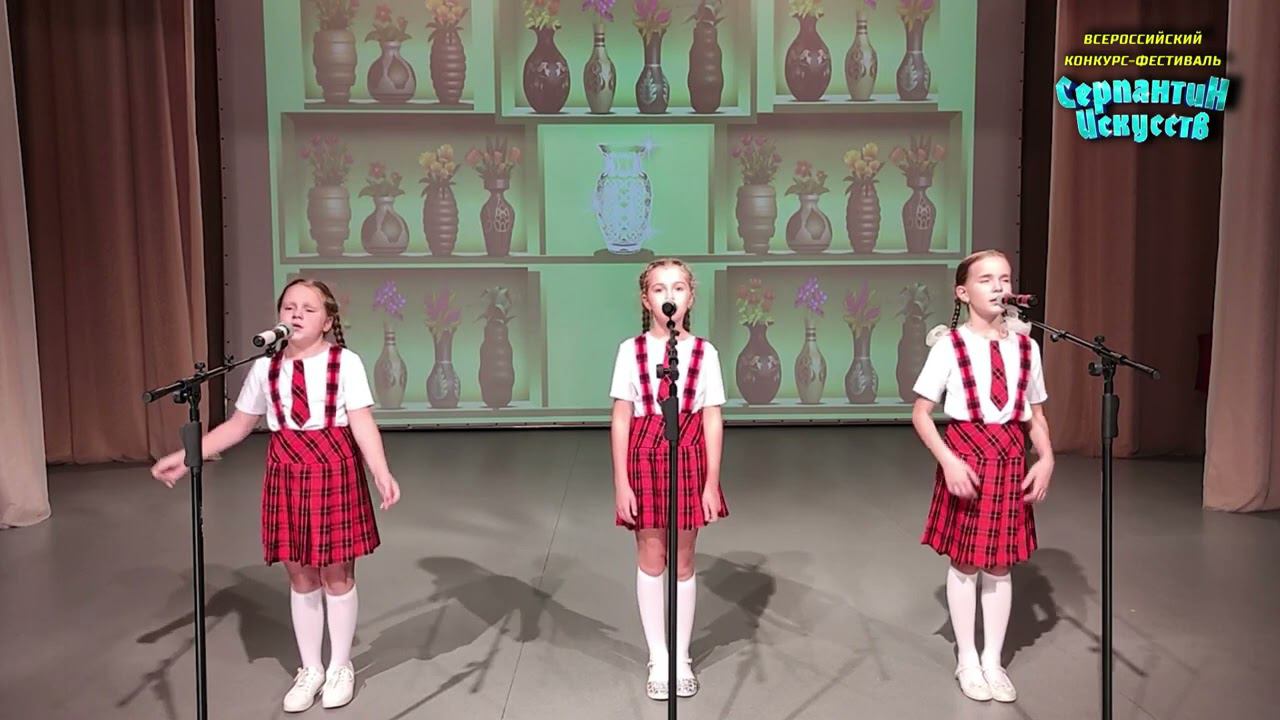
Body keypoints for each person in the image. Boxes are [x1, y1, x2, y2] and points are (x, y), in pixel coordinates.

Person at [151, 277, 401, 713]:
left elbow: (361, 420)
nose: (296, 315)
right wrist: (186, 456)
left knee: (336, 575)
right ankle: (311, 668)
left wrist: (380, 470)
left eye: (308, 308)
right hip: (287, 471)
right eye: (289, 308)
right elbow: (238, 426)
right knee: (301, 576)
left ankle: (340, 665)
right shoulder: (265, 368)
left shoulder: (345, 363)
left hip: (333, 469)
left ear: (327, 321)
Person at [911, 250, 1054, 703]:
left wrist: (1046, 457)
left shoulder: (1027, 348)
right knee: (966, 561)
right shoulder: (949, 346)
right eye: (986, 279)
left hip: (1009, 457)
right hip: (967, 455)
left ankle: (993, 660)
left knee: (1000, 563)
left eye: (1004, 278)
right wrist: (948, 461)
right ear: (963, 291)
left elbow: (1035, 415)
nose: (998, 287)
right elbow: (921, 413)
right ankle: (967, 658)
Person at [609, 258, 728, 700]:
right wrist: (622, 482)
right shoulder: (631, 351)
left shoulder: (704, 353)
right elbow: (622, 417)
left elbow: (712, 417)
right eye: (659, 289)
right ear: (646, 300)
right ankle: (658, 656)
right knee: (651, 553)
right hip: (644, 455)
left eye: (678, 288)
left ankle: (681, 656)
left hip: (689, 454)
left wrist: (711, 481)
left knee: (683, 558)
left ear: (690, 298)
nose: (669, 297)